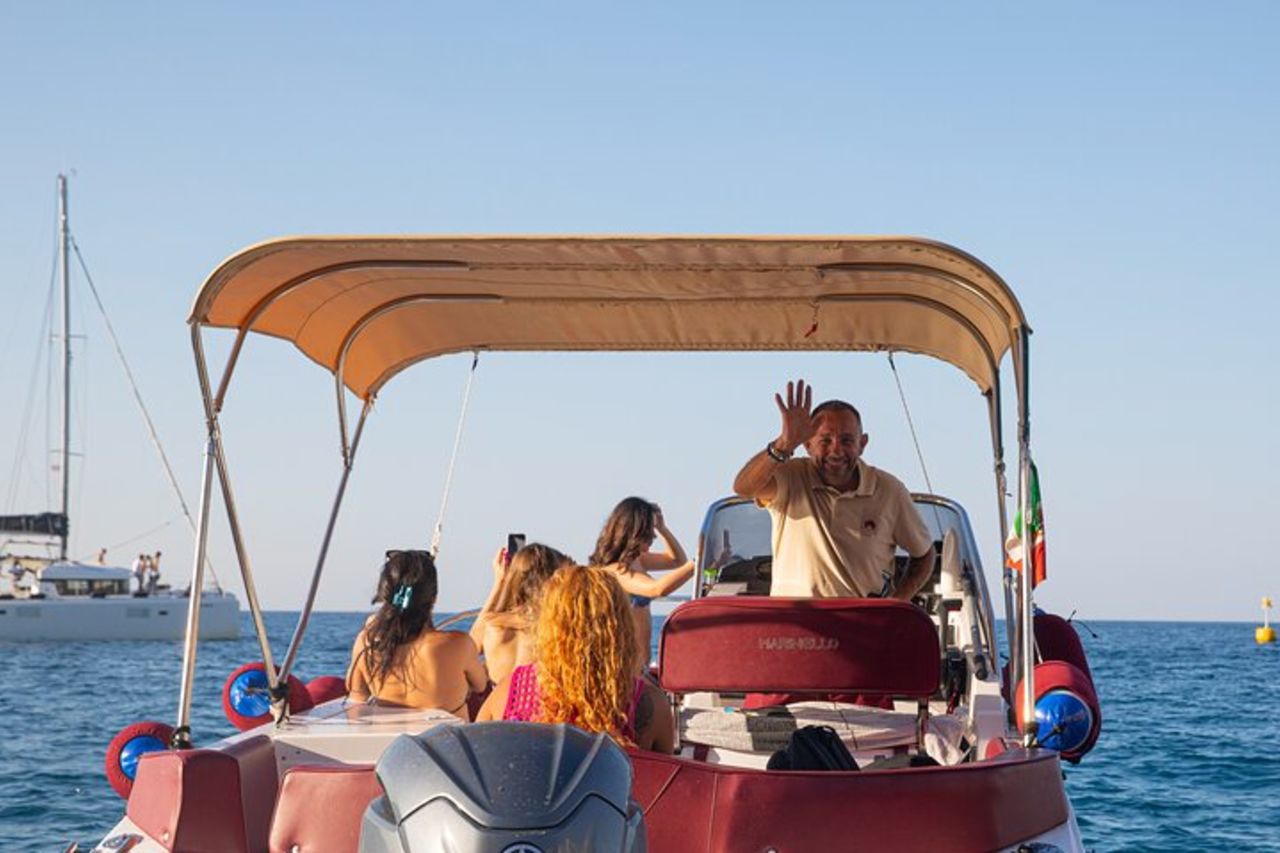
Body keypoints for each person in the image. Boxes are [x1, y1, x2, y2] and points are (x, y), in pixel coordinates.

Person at [733, 379, 936, 600]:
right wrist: (784, 443)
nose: (836, 451)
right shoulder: (790, 477)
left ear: (862, 444)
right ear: (807, 444)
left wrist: (895, 605)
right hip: (794, 618)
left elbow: (924, 554)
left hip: (862, 619)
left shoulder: (889, 490)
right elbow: (744, 488)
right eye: (825, 441)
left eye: (847, 441)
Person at [477, 565, 675, 753]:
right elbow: (666, 773)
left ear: (548, 625)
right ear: (621, 628)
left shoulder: (511, 691)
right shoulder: (651, 705)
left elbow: (477, 749)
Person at [346, 549, 488, 718]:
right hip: (447, 734)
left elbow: (357, 695)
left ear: (384, 594)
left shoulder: (366, 642)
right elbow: (480, 685)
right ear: (434, 598)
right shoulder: (458, 644)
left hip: (392, 735)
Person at [588, 498, 695, 664]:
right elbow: (658, 589)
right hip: (623, 666)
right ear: (634, 533)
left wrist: (662, 528)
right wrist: (696, 564)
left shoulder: (637, 561)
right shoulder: (615, 572)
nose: (653, 538)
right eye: (649, 534)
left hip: (639, 665)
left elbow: (677, 560)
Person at [469, 543, 573, 684]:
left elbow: (470, 647)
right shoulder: (553, 628)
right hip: (535, 697)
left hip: (498, 697)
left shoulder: (492, 624)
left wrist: (499, 582)